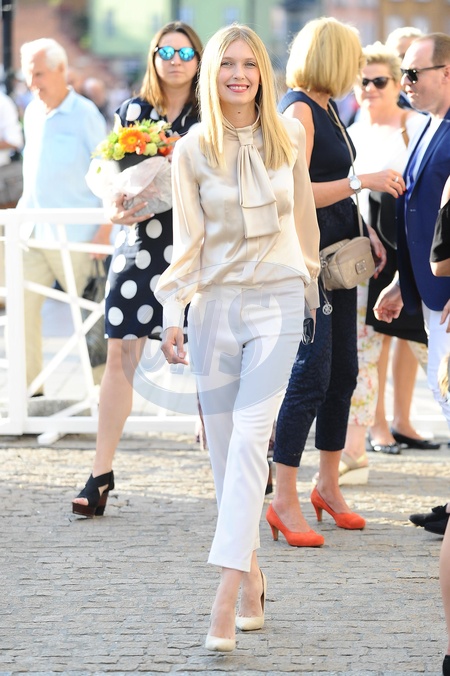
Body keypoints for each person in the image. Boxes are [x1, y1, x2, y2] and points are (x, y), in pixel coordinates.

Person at [155, 23, 320, 652]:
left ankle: (223, 600)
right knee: (225, 456)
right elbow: (188, 240)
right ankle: (251, 576)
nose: (239, 75)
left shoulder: (289, 137)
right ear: (211, 74)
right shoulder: (192, 149)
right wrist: (174, 310)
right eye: (228, 64)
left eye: (250, 64)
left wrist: (309, 285)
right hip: (215, 306)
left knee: (252, 437)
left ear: (263, 73)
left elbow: (304, 220)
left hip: (277, 300)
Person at [267, 17, 407, 547]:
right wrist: (360, 181)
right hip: (311, 263)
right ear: (333, 58)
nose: (357, 71)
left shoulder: (325, 107)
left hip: (340, 258)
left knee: (343, 371)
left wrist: (365, 231)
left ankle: (327, 485)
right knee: (312, 373)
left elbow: (333, 188)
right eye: (352, 59)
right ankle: (283, 497)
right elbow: (295, 191)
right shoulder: (299, 108)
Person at [72, 21, 203, 517]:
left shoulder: (210, 113)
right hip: (140, 245)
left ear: (198, 60)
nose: (175, 60)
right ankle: (100, 472)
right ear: (153, 57)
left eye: (185, 53)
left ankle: (251, 464)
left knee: (220, 354)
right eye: (165, 52)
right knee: (120, 356)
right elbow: (107, 168)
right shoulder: (132, 112)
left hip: (199, 247)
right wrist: (112, 202)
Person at [340, 42, 431, 484]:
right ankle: (355, 452)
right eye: (363, 81)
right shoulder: (352, 131)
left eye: (379, 81)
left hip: (414, 258)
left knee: (435, 352)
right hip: (366, 259)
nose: (370, 88)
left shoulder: (418, 126)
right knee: (363, 356)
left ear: (397, 84)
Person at [372, 33, 450, 527]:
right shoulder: (429, 124)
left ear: (447, 72)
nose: (406, 82)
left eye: (414, 73)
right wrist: (404, 281)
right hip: (430, 289)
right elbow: (422, 211)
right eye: (403, 73)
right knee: (445, 393)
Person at [18, 38, 111, 394]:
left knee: (92, 317)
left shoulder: (85, 114)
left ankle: (102, 397)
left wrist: (104, 231)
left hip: (78, 238)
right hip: (32, 234)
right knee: (22, 312)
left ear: (61, 70)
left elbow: (109, 172)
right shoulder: (31, 112)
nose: (33, 83)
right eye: (29, 75)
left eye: (39, 74)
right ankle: (31, 394)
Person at [0, 89, 24, 308]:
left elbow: (15, 140)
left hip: (4, 180)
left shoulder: (3, 102)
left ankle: (6, 295)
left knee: (5, 241)